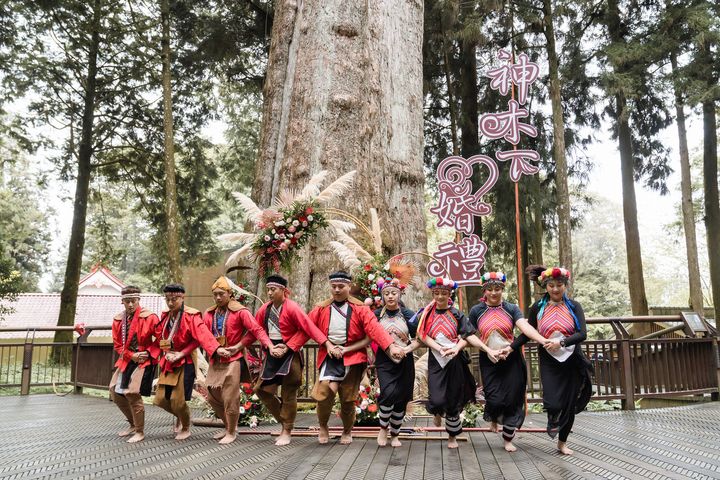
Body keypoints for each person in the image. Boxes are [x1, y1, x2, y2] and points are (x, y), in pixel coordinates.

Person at [308, 271, 405, 445]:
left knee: (347, 398)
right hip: (329, 355)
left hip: (352, 356)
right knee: (324, 393)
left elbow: (374, 329)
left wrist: (390, 346)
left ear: (349, 286)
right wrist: (292, 345)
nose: (336, 290)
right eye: (333, 286)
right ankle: (323, 426)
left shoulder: (360, 308)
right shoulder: (321, 308)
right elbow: (307, 327)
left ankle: (347, 430)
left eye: (341, 286)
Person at [514, 265, 593, 455]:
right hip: (549, 361)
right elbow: (527, 334)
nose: (555, 289)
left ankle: (562, 442)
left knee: (569, 403)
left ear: (565, 285)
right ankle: (555, 422)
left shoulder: (574, 306)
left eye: (559, 285)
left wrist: (562, 342)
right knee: (554, 403)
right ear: (545, 286)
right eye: (551, 285)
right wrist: (509, 348)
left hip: (572, 359)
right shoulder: (537, 308)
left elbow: (582, 333)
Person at [253, 274, 339, 446]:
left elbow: (308, 328)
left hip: (290, 353)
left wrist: (325, 344)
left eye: (273, 289)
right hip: (272, 352)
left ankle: (287, 430)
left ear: (283, 291)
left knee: (288, 393)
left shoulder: (292, 307)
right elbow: (257, 330)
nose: (269, 293)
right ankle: (284, 420)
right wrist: (268, 346)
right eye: (268, 289)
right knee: (261, 390)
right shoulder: (265, 309)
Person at [467, 271, 544, 452]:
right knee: (493, 399)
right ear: (484, 291)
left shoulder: (511, 308)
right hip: (489, 358)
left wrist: (541, 339)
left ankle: (508, 438)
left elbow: (525, 327)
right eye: (490, 289)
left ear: (502, 289)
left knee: (512, 398)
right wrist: (488, 350)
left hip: (511, 358)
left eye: (497, 289)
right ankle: (494, 416)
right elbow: (468, 334)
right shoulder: (476, 311)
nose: (494, 293)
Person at [198, 276, 275, 444]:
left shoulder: (241, 311)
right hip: (216, 358)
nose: (218, 297)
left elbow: (256, 330)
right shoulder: (209, 313)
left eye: (222, 294)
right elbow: (203, 335)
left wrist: (264, 345)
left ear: (230, 294)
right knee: (211, 396)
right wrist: (216, 349)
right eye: (215, 294)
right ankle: (228, 427)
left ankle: (232, 432)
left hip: (234, 358)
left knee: (229, 396)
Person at [411, 277, 477, 449]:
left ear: (450, 294)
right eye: (437, 293)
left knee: (454, 399)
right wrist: (438, 348)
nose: (440, 297)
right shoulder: (427, 314)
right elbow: (422, 335)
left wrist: (456, 348)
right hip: (435, 360)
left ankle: (452, 437)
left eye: (444, 293)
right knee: (438, 397)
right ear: (433, 293)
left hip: (455, 361)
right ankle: (437, 411)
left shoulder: (457, 314)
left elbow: (466, 335)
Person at [151, 283, 208, 440]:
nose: (170, 303)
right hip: (169, 360)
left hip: (186, 360)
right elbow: (160, 337)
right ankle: (181, 417)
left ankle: (186, 425)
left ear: (182, 298)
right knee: (160, 399)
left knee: (178, 399)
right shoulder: (165, 316)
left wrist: (181, 353)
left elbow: (198, 339)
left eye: (174, 299)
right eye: (168, 299)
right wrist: (166, 353)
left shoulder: (192, 315)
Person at [109, 286, 159, 443]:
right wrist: (131, 355)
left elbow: (160, 340)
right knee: (114, 391)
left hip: (144, 359)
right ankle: (132, 424)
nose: (130, 305)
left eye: (133, 301)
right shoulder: (118, 320)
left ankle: (140, 431)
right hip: (127, 359)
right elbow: (118, 345)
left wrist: (148, 353)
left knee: (132, 392)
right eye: (127, 301)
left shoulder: (150, 317)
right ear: (122, 301)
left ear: (138, 300)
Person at [371, 277, 416, 447]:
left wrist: (406, 350)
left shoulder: (408, 315)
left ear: (400, 294)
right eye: (387, 293)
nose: (390, 296)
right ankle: (383, 429)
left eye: (394, 293)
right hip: (384, 360)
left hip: (405, 359)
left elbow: (419, 339)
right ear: (382, 296)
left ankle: (395, 434)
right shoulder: (375, 315)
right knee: (388, 394)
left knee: (401, 399)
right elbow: (369, 337)